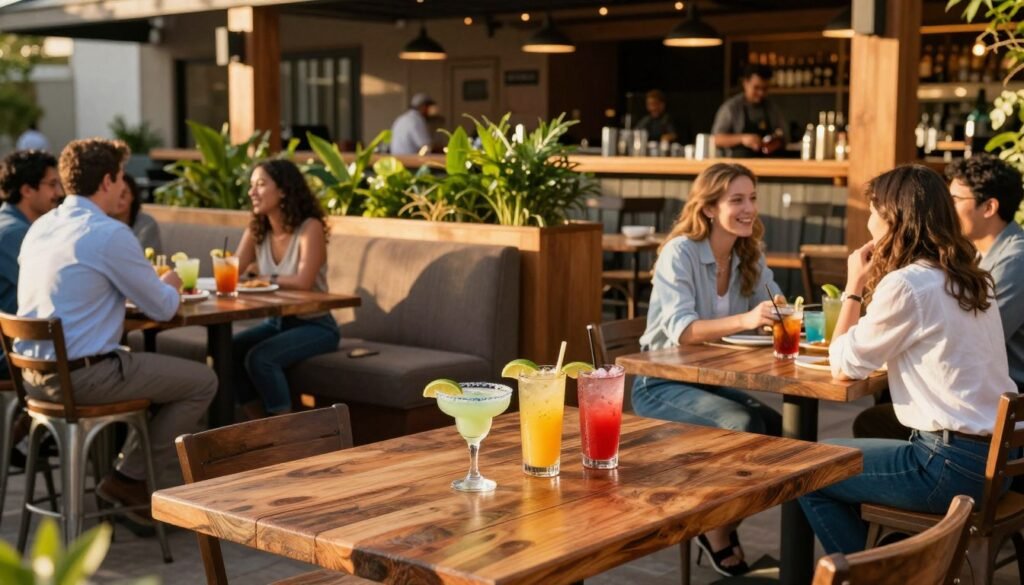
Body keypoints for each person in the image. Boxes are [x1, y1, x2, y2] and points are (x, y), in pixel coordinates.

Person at [798, 164, 1017, 555]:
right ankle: (908, 558)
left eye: (872, 211)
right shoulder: (968, 277)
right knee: (862, 437)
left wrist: (853, 285)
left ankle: (879, 576)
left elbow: (844, 364)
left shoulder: (908, 284)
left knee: (809, 471)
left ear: (893, 218)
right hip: (996, 465)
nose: (867, 223)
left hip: (948, 467)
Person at [17, 138, 217, 521]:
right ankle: (129, 476)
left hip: (33, 375)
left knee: (141, 365)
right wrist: (172, 281)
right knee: (203, 381)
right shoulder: (108, 233)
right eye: (122, 177)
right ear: (108, 181)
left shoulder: (41, 226)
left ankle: (128, 476)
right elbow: (161, 306)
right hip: (83, 377)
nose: (124, 186)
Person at [633, 162, 783, 577]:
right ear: (709, 208)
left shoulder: (747, 252)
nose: (748, 208)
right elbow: (682, 331)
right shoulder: (680, 252)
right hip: (661, 383)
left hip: (713, 381)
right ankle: (714, 528)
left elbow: (777, 303)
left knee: (779, 431)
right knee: (741, 424)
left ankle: (718, 520)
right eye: (737, 200)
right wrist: (748, 319)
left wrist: (785, 314)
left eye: (752, 198)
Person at [853, 154, 1024, 441]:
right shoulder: (970, 261)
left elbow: (972, 340)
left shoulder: (1014, 261)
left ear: (989, 207)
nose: (944, 208)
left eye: (954, 199)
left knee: (835, 458)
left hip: (995, 403)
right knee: (877, 418)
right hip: (980, 407)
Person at [232, 159, 340, 419]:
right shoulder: (257, 229)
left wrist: (262, 275)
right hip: (277, 322)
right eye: (251, 186)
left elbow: (303, 281)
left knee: (261, 358)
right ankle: (257, 424)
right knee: (229, 350)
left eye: (260, 184)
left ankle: (286, 433)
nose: (252, 192)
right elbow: (233, 272)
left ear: (283, 190)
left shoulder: (309, 227)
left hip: (316, 325)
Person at [711, 65, 788, 158]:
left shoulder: (772, 108)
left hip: (767, 164)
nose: (761, 93)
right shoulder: (731, 108)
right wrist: (742, 139)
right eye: (756, 88)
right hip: (735, 165)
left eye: (765, 89)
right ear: (745, 83)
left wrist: (775, 143)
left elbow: (785, 137)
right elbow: (716, 139)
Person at [111, 174, 163, 253]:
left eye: (123, 193)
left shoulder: (146, 224)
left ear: (133, 196)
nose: (119, 199)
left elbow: (140, 256)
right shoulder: (99, 221)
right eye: (114, 194)